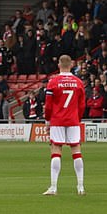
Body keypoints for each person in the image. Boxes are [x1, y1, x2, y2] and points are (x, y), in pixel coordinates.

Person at [42, 55, 86, 196]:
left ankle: (54, 187)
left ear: (59, 65)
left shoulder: (53, 82)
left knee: (56, 150)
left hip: (57, 120)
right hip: (73, 120)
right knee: (76, 151)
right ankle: (80, 187)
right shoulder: (78, 82)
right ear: (71, 65)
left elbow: (48, 105)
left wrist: (48, 120)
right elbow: (82, 105)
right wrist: (77, 118)